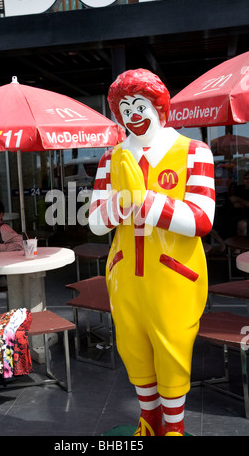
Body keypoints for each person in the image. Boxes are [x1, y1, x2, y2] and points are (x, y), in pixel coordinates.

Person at [88, 69, 215, 436]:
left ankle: (174, 429)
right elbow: (96, 221)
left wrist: (143, 200)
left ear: (159, 106)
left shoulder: (194, 152)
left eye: (140, 105)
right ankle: (149, 421)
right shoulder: (110, 160)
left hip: (175, 275)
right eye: (124, 108)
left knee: (173, 351)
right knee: (134, 349)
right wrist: (122, 204)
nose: (133, 115)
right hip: (125, 273)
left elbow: (202, 219)